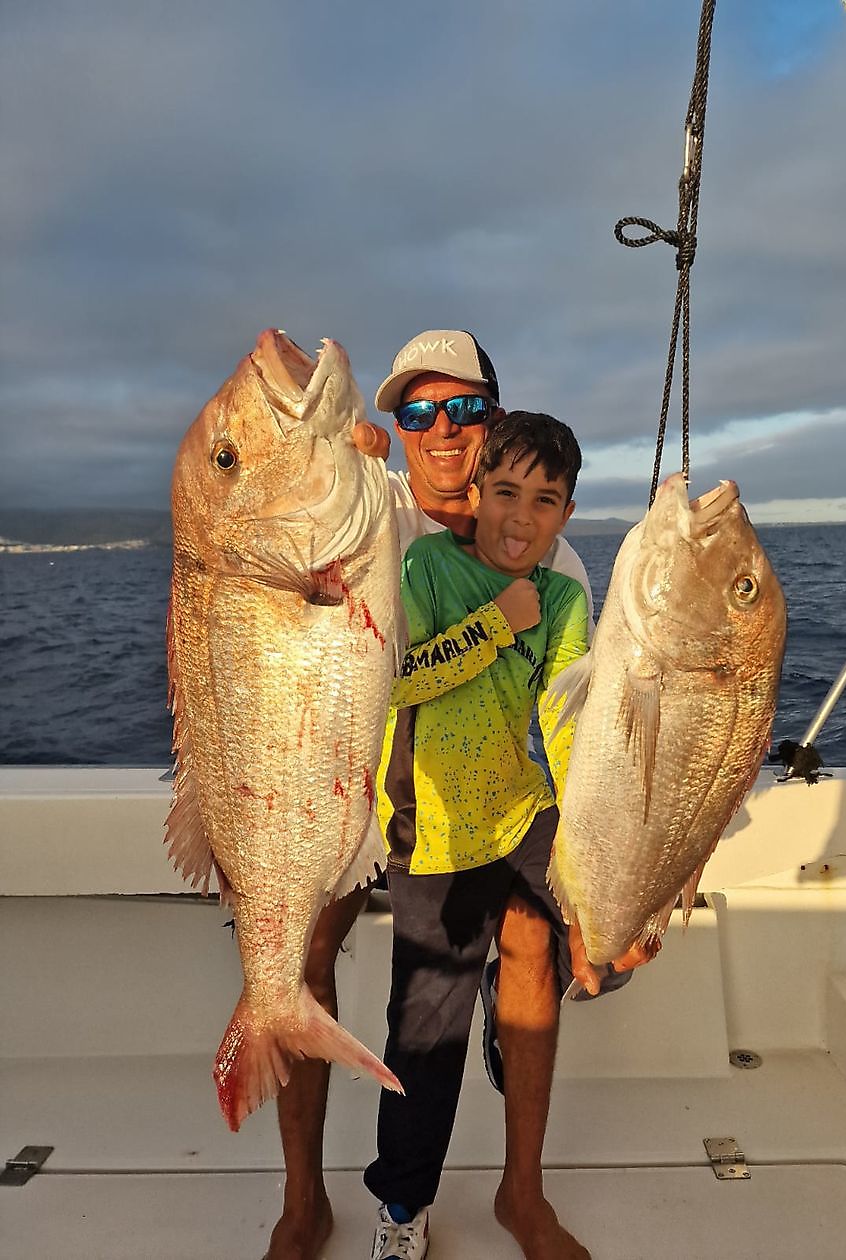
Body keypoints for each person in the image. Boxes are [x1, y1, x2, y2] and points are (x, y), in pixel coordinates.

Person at [263, 333, 648, 1260]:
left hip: (493, 803)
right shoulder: (371, 502)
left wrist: (611, 869)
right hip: (364, 793)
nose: (442, 429)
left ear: (494, 423)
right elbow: (282, 519)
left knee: (552, 930)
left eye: (464, 409)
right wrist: (327, 448)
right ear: (397, 429)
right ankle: (307, 1200)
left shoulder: (558, 571)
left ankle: (522, 1191)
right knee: (306, 953)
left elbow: (565, 720)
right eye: (418, 411)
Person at [366, 411, 595, 1260]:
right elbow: (393, 683)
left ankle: (519, 994)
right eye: (505, 492)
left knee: (602, 931)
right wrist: (496, 620)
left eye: (544, 500)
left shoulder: (563, 597)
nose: (520, 518)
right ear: (476, 494)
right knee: (425, 1034)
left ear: (565, 513)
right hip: (432, 833)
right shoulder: (424, 567)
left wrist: (588, 849)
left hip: (518, 807)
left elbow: (563, 726)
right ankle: (401, 1206)